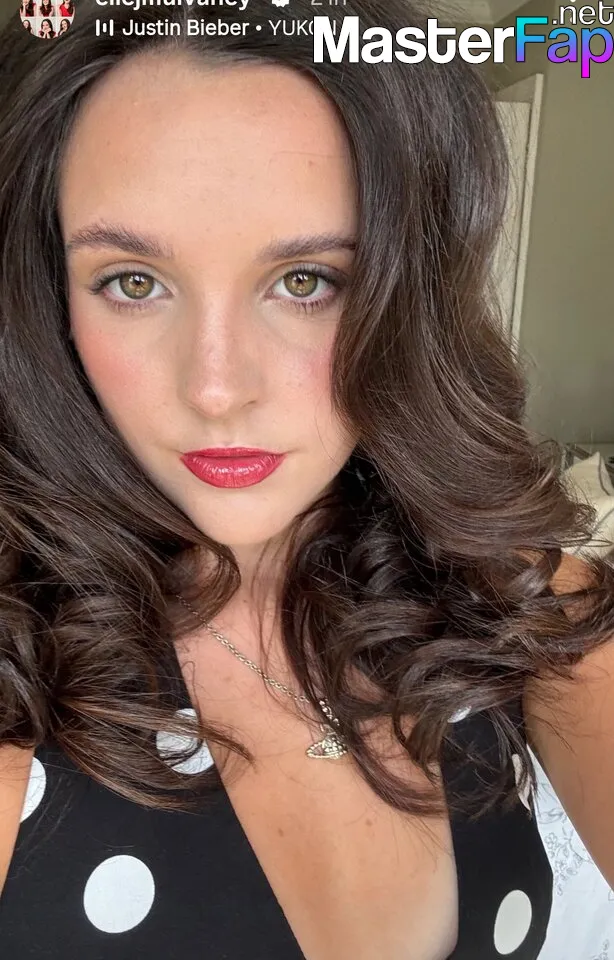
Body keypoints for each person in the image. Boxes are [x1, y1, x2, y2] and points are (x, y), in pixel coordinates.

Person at [0, 1, 613, 958]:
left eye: (306, 281)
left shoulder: (512, 597)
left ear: (408, 304)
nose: (216, 389)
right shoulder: (24, 678)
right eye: (132, 281)